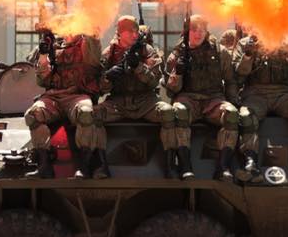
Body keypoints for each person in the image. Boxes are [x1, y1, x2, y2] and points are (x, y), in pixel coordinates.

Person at [91, 16, 178, 178]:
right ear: (120, 32)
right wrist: (108, 77)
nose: (135, 34)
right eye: (130, 31)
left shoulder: (147, 51)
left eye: (136, 31)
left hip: (146, 101)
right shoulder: (109, 53)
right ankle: (101, 165)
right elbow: (100, 89)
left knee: (168, 113)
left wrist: (138, 66)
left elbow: (154, 82)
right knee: (93, 115)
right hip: (118, 102)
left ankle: (169, 165)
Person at [233, 30, 288, 182]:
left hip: (284, 94)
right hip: (255, 94)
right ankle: (250, 162)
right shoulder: (245, 44)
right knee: (246, 117)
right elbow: (238, 76)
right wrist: (248, 56)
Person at [164, 14, 240, 180]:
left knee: (232, 114)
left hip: (213, 100)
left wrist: (234, 100)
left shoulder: (220, 52)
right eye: (194, 30)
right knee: (179, 112)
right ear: (187, 32)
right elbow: (171, 91)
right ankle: (185, 166)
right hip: (187, 99)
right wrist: (178, 73)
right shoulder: (177, 55)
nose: (198, 34)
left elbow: (230, 80)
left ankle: (223, 167)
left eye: (202, 30)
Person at [23, 29, 103, 179]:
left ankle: (83, 167)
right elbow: (42, 80)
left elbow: (94, 60)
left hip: (77, 95)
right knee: (33, 115)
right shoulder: (54, 47)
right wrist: (43, 55)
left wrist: (92, 31)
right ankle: (44, 165)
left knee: (85, 113)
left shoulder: (87, 44)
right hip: (53, 97)